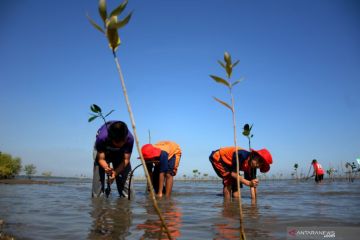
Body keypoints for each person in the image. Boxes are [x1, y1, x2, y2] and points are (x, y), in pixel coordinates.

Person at [92, 121, 134, 198]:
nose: (119, 145)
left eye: (121, 142)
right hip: (104, 150)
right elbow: (101, 159)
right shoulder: (102, 138)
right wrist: (106, 168)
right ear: (111, 139)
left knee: (128, 191)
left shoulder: (130, 139)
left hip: (121, 154)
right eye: (116, 143)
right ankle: (97, 203)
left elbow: (126, 159)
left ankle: (125, 204)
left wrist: (115, 172)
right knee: (97, 182)